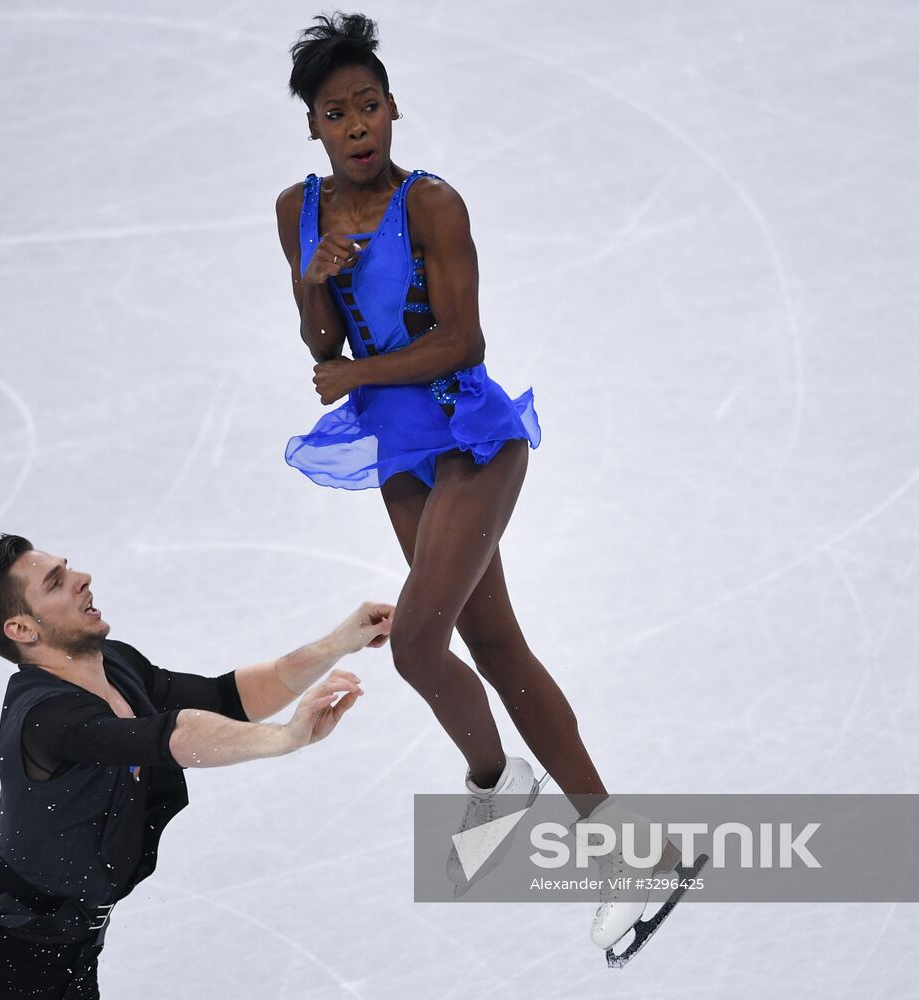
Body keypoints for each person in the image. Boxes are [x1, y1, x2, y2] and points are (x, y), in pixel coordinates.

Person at [274, 13, 702, 963]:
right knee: (495, 647)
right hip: (397, 455)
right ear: (313, 125)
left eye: (370, 107)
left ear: (392, 110)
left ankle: (510, 783)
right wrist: (314, 283)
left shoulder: (434, 204)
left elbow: (462, 343)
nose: (357, 127)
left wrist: (354, 378)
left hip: (469, 435)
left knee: (419, 645)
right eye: (337, 112)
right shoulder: (293, 212)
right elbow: (320, 345)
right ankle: (611, 835)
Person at [0, 533, 392, 998]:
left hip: (69, 957)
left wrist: (337, 643)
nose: (82, 578)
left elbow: (228, 697)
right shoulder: (45, 718)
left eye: (67, 568)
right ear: (23, 629)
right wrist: (284, 738)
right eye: (55, 581)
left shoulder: (115, 666)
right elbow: (172, 737)